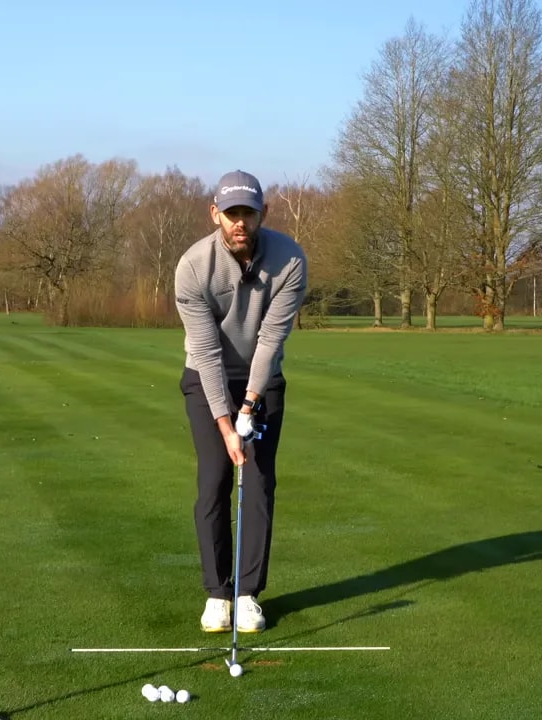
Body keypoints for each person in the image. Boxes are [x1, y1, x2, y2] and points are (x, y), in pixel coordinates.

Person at [174, 169, 309, 634]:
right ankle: (217, 594)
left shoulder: (289, 259)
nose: (239, 222)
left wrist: (249, 407)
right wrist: (227, 424)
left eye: (247, 213)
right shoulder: (193, 267)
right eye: (230, 213)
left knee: (258, 482)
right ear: (215, 214)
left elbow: (271, 338)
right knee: (213, 481)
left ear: (261, 214)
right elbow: (207, 353)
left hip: (262, 379)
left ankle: (247, 594)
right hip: (205, 378)